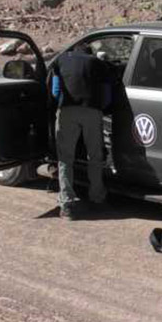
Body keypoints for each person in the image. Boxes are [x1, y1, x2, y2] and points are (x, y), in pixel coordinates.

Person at [50, 47, 112, 219]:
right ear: (89, 53)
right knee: (95, 156)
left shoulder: (60, 60)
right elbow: (107, 96)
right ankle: (97, 198)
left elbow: (55, 92)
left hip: (67, 112)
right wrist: (102, 109)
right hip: (92, 112)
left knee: (65, 159)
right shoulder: (98, 64)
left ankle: (67, 204)